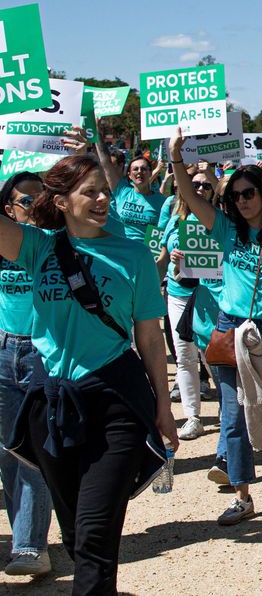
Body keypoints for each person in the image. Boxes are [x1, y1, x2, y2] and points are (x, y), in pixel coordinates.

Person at [1, 154, 178, 594]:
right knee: (78, 534)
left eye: (105, 191)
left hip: (117, 399)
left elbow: (151, 339)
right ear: (60, 201)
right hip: (52, 404)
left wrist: (163, 407)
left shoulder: (133, 255)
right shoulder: (37, 246)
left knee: (97, 531)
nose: (102, 199)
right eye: (90, 192)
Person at [169, 132, 262, 525]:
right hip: (230, 329)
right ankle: (242, 496)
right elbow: (190, 195)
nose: (242, 200)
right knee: (234, 413)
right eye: (235, 195)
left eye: (249, 193)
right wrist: (175, 160)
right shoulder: (226, 229)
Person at [0, 172, 53, 577]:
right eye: (25, 201)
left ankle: (30, 547)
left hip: (44, 353)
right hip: (4, 351)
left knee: (35, 450)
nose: (33, 207)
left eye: (40, 200)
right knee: (8, 450)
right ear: (8, 209)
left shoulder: (53, 244)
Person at [156, 172, 220, 441]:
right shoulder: (174, 220)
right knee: (184, 357)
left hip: (211, 296)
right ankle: (193, 417)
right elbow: (161, 258)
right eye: (195, 185)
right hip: (178, 293)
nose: (202, 189)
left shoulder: (219, 221)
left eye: (207, 185)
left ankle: (226, 409)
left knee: (214, 355)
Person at [96, 149, 168, 243]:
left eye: (144, 169)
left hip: (144, 252)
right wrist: (97, 136)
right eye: (135, 169)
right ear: (129, 175)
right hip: (120, 247)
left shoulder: (163, 202)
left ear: (150, 173)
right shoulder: (121, 191)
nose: (139, 172)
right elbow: (106, 163)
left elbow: (165, 233)